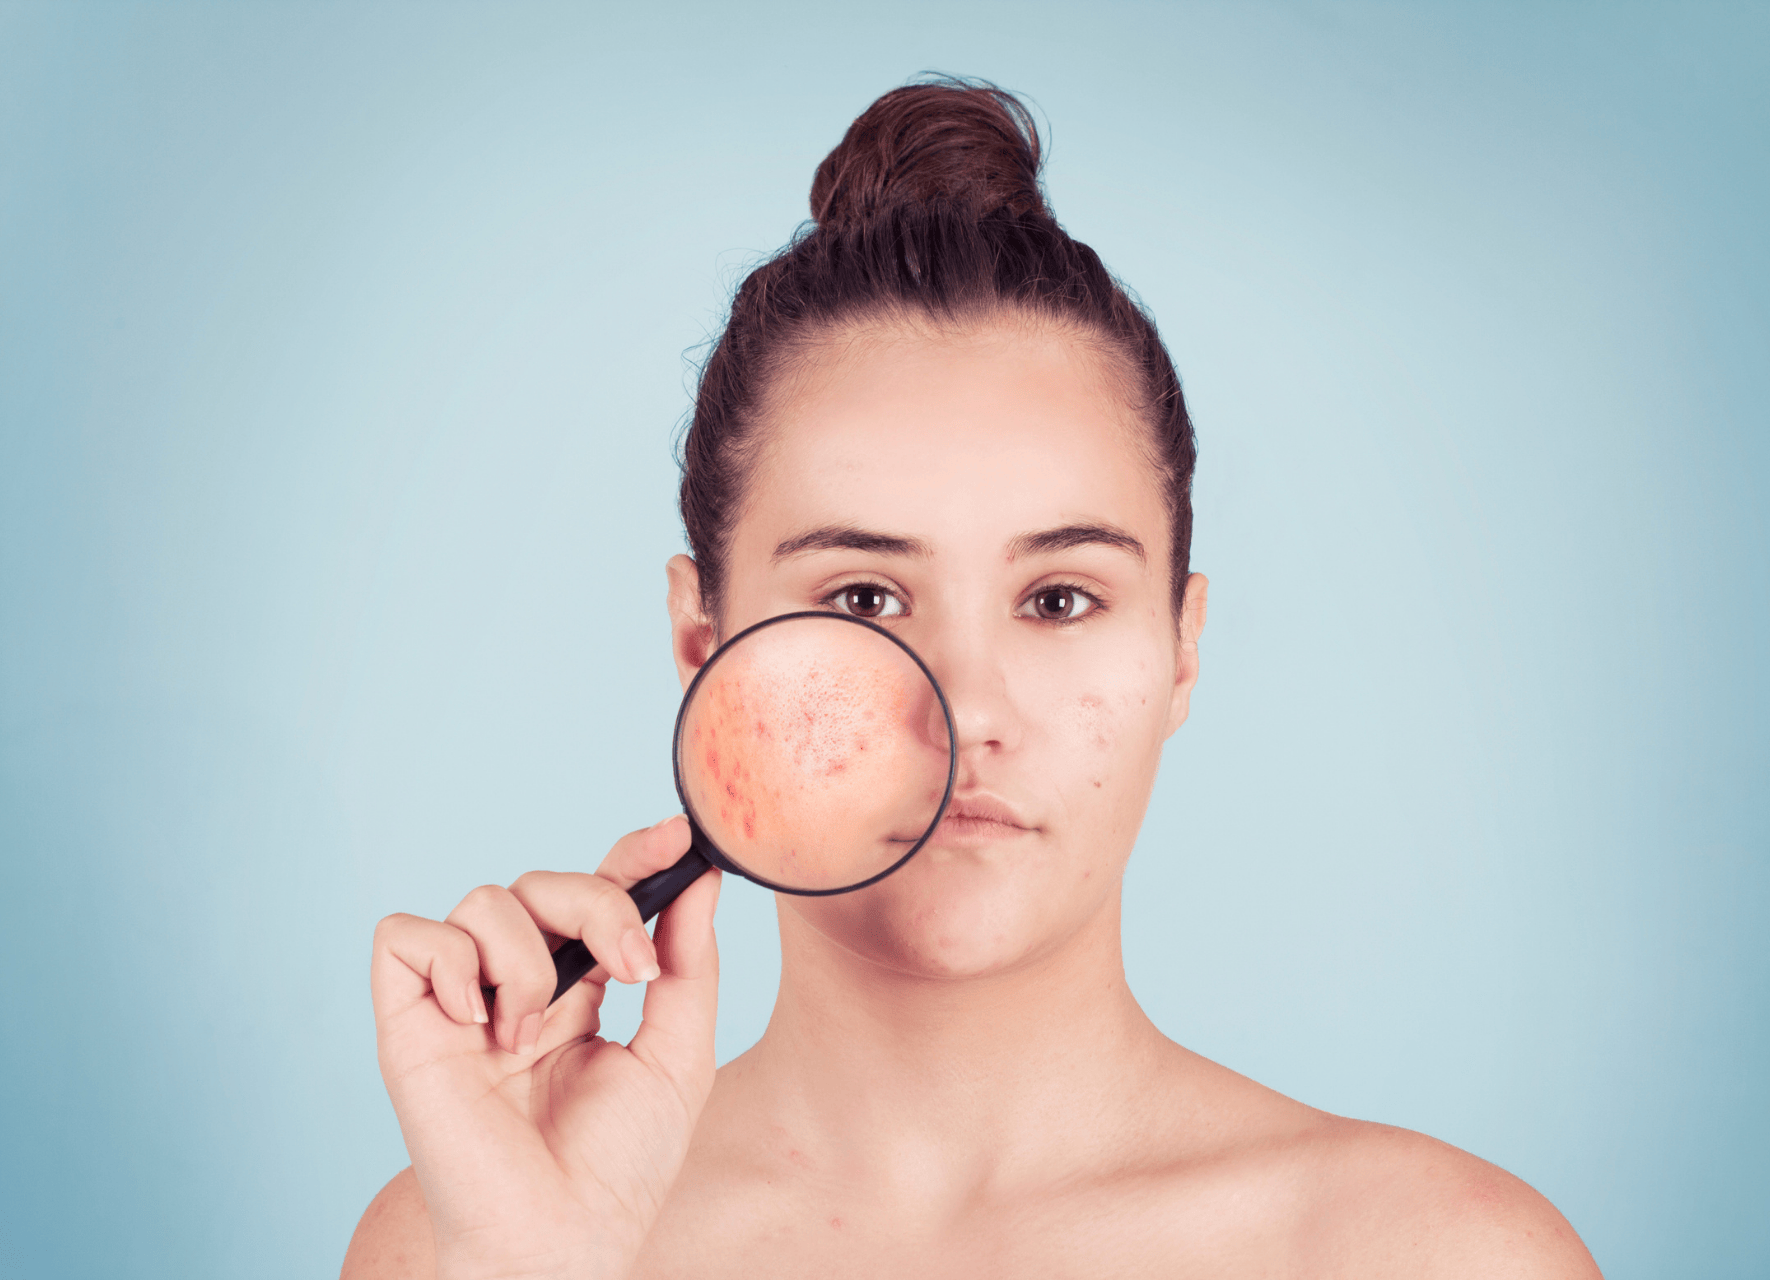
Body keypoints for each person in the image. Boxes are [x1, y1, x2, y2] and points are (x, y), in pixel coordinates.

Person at [344, 78, 1601, 1279]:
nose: (967, 712)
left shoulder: (1442, 1256)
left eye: (1059, 599)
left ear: (1181, 648)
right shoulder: (462, 1231)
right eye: (864, 599)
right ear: (702, 641)